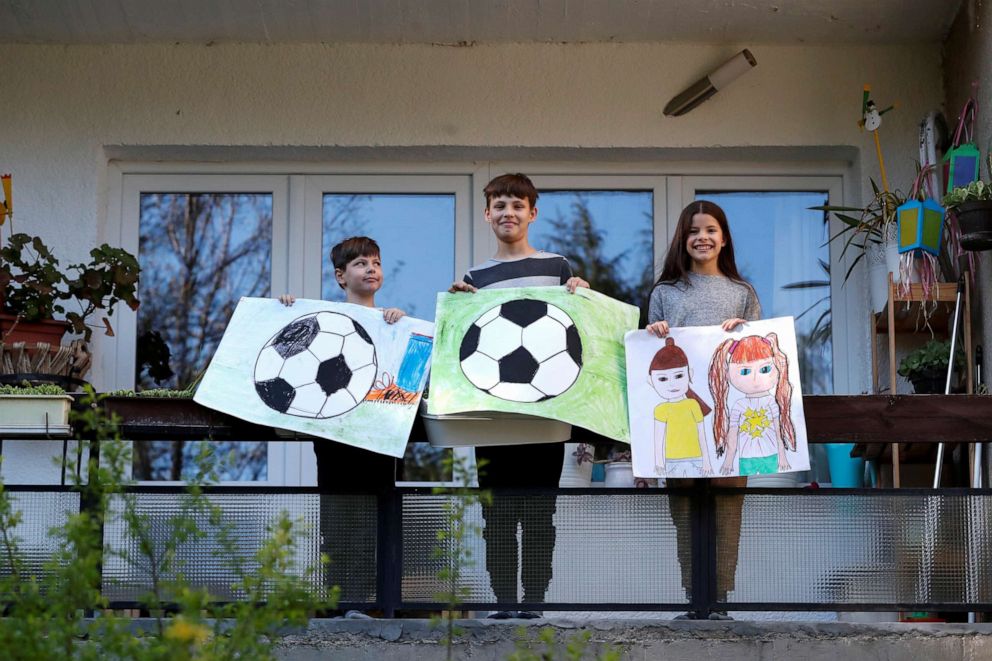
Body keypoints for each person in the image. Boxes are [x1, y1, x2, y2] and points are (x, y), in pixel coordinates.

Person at [449, 173, 588, 619]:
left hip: (547, 418)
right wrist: (458, 307)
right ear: (487, 214)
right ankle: (504, 602)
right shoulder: (475, 277)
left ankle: (534, 603)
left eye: (517, 204)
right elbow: (466, 345)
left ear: (533, 212)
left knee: (539, 513)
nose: (508, 212)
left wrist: (583, 296)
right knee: (498, 517)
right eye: (500, 205)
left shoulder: (557, 267)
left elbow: (578, 331)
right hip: (493, 419)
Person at [279, 235, 405, 617]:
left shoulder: (391, 323)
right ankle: (339, 602)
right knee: (336, 520)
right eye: (361, 264)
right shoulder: (323, 322)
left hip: (378, 438)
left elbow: (402, 376)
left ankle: (371, 602)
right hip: (334, 439)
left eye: (376, 263)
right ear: (340, 276)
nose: (371, 269)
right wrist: (287, 311)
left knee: (375, 519)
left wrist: (399, 328)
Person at [646, 199, 760, 620]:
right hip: (679, 423)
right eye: (694, 231)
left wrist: (744, 329)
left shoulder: (742, 293)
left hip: (728, 424)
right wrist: (654, 332)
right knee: (685, 511)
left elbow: (757, 349)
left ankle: (721, 601)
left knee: (727, 511)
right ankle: (694, 598)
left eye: (710, 230)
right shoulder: (665, 293)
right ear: (683, 238)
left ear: (724, 238)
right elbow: (650, 359)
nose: (702, 238)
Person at [709, 333, 797, 476]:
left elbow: (778, 430)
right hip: (746, 458)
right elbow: (733, 434)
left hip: (770, 455)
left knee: (768, 495)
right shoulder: (738, 405)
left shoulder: (771, 402)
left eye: (764, 369)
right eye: (745, 371)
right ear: (728, 374)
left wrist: (783, 456)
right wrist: (728, 460)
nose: (755, 379)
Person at [648, 337, 713, 478]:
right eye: (663, 379)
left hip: (696, 459)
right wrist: (659, 462)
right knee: (680, 497)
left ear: (689, 374)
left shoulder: (693, 405)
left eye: (678, 375)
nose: (672, 384)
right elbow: (658, 438)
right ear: (651, 381)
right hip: (672, 462)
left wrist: (707, 461)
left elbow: (702, 435)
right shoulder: (660, 409)